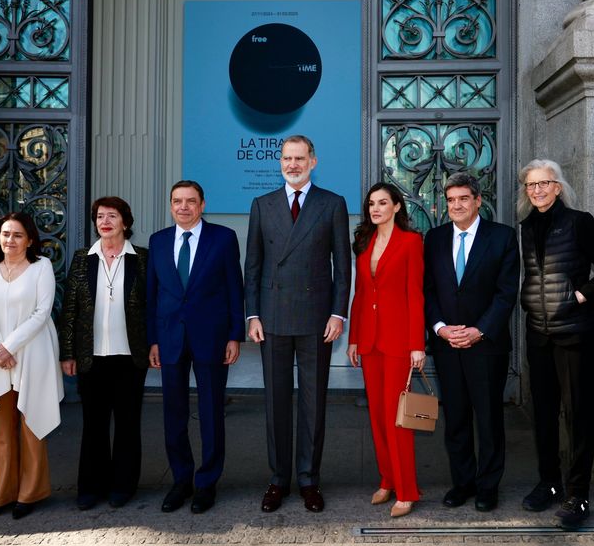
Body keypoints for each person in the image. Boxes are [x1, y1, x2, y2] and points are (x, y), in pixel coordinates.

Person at [244, 134, 352, 513]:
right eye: (287, 158)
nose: (292, 164)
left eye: (299, 158)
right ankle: (278, 480)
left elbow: (343, 264)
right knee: (275, 403)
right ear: (280, 162)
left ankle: (309, 479)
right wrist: (252, 314)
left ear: (313, 161)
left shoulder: (332, 204)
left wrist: (339, 314)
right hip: (271, 317)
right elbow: (253, 265)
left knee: (312, 403)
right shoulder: (262, 204)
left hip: (316, 318)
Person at [516, 159, 594, 529]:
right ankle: (549, 484)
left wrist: (582, 296)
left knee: (578, 414)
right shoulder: (526, 227)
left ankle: (578, 494)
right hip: (538, 333)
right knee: (544, 413)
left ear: (558, 186)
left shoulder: (579, 221)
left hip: (576, 332)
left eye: (544, 184)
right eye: (531, 185)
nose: (537, 190)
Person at [423, 172, 519, 513]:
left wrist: (478, 330)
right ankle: (462, 483)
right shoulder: (433, 239)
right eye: (451, 200)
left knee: (489, 418)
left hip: (486, 345)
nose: (457, 205)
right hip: (447, 345)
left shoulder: (503, 237)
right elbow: (429, 291)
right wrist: (439, 328)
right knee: (457, 418)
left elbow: (507, 293)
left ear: (478, 201)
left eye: (463, 198)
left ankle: (487, 486)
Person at [148, 180, 244, 514]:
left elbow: (235, 288)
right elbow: (152, 296)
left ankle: (207, 482)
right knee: (173, 414)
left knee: (210, 412)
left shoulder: (223, 238)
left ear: (202, 204)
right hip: (170, 338)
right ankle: (181, 480)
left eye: (191, 201)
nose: (184, 207)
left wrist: (235, 335)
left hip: (213, 338)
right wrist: (153, 340)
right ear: (170, 205)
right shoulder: (158, 241)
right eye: (177, 201)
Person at [0, 212, 63, 520]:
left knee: (32, 422)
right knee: (1, 428)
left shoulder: (41, 267)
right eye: (6, 234)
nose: (11, 240)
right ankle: (4, 493)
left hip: (32, 351)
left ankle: (30, 493)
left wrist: (10, 346)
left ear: (30, 239)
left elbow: (41, 312)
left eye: (18, 235)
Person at [59, 197, 149, 511]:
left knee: (127, 424)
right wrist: (67, 352)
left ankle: (123, 486)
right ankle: (90, 487)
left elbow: (153, 308)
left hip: (130, 357)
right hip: (91, 357)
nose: (105, 221)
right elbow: (70, 309)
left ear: (126, 221)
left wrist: (154, 345)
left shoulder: (142, 259)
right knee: (93, 424)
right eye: (99, 216)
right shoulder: (83, 259)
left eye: (112, 216)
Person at [347, 182, 427, 519]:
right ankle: (387, 479)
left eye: (382, 203)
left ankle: (407, 490)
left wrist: (416, 345)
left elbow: (415, 294)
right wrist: (353, 338)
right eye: (371, 204)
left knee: (399, 420)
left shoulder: (411, 242)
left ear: (396, 206)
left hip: (398, 342)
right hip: (369, 341)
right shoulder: (364, 243)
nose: (375, 209)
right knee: (378, 416)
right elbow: (362, 294)